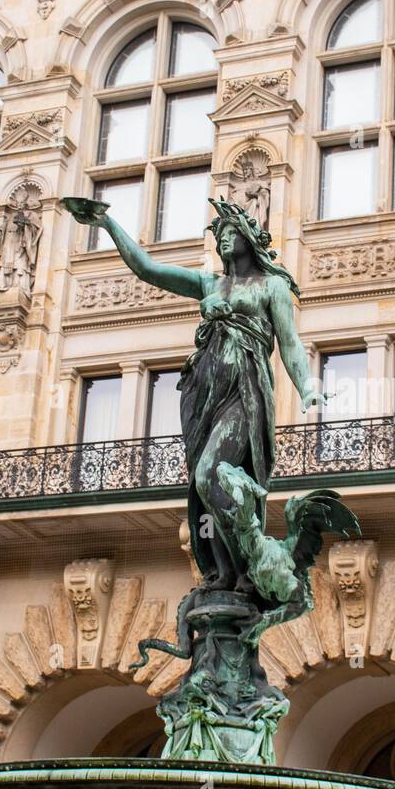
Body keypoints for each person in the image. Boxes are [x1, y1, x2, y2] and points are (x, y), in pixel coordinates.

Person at [62, 196, 323, 594]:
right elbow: (147, 269)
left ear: (249, 237)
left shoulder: (272, 286)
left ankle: (249, 556)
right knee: (204, 488)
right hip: (203, 392)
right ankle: (224, 571)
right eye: (218, 235)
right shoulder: (209, 283)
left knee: (211, 475)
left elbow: (289, 343)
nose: (222, 239)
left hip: (245, 391)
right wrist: (107, 224)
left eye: (230, 232)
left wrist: (308, 386)